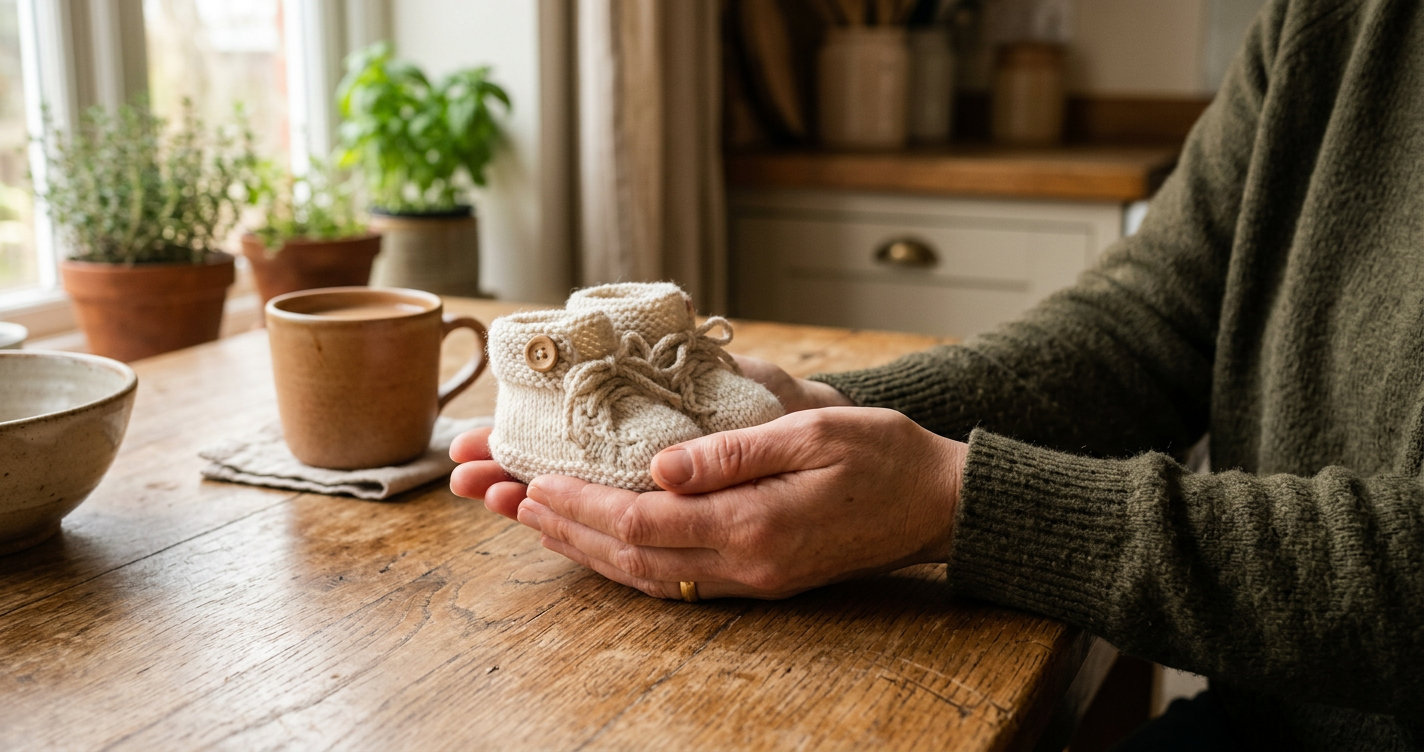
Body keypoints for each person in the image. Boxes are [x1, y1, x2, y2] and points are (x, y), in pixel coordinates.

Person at [451, 0, 1424, 747]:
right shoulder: (1330, 19)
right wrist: (836, 409)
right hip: (1274, 721)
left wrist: (957, 506)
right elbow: (1150, 322)